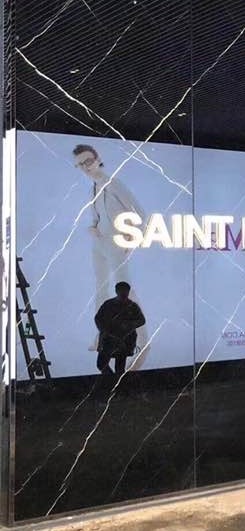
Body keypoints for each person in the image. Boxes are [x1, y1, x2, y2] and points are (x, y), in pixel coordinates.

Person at [74, 144, 148, 362]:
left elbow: (139, 213)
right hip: (100, 245)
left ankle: (141, 338)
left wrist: (129, 240)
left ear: (98, 159)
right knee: (101, 289)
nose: (85, 167)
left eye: (88, 161)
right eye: (80, 164)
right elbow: (97, 217)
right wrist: (93, 227)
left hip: (116, 244)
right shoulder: (93, 188)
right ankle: (103, 337)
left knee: (125, 291)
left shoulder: (114, 184)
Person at [94, 282, 146, 382]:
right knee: (101, 364)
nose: (123, 293)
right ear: (116, 291)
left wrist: (128, 325)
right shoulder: (108, 304)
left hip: (125, 340)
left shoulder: (132, 306)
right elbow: (98, 319)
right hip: (109, 339)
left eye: (125, 291)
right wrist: (103, 331)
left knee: (119, 366)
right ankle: (112, 382)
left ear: (128, 292)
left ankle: (117, 385)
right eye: (121, 290)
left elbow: (142, 320)